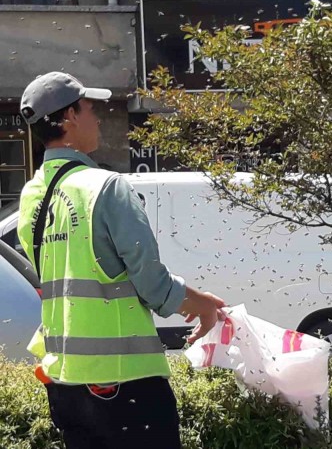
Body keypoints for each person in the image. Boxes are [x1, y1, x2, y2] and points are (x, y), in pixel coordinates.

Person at [17, 72, 225, 449]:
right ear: (68, 118)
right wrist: (203, 306)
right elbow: (151, 282)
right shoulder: (105, 187)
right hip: (125, 386)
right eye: (89, 108)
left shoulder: (32, 195)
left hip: (64, 384)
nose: (97, 117)